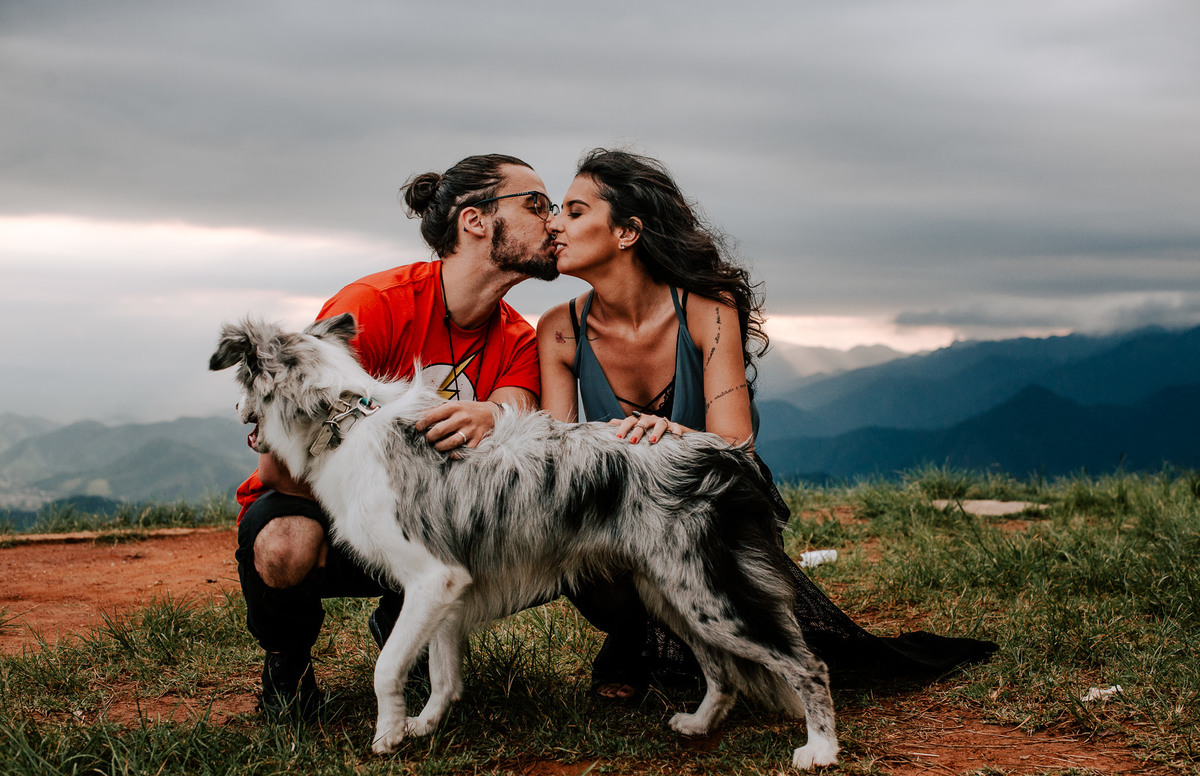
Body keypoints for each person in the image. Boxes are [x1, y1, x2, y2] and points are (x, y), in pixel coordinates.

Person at [537, 148, 996, 699]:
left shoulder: (707, 307)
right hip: (620, 514)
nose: (553, 224)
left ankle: (662, 641)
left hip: (712, 496)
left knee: (767, 645)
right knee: (574, 533)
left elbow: (736, 443)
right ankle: (631, 635)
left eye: (574, 210)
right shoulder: (559, 328)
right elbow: (558, 456)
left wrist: (675, 436)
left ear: (627, 232)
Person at [235, 153, 560, 717]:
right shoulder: (373, 308)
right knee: (284, 548)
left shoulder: (519, 341)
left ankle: (405, 613)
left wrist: (493, 414)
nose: (553, 221)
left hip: (432, 520)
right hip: (318, 502)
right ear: (475, 220)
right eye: (536, 204)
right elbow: (278, 469)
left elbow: (518, 423)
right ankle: (287, 665)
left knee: (538, 532)